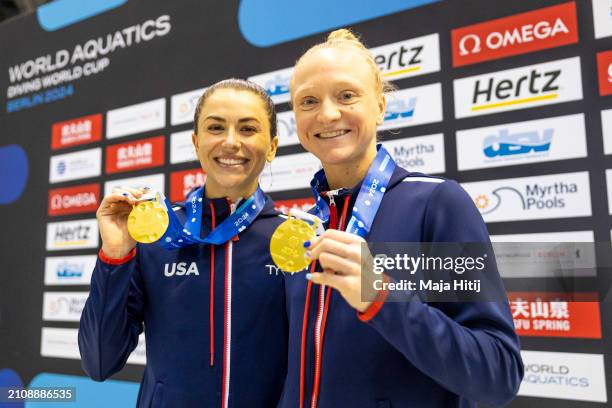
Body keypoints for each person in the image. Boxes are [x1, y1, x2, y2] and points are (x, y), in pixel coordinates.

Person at [279, 29, 524, 407]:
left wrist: (382, 296)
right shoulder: (305, 228)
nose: (327, 113)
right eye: (308, 101)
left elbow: (498, 373)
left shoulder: (438, 204)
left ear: (379, 105)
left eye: (346, 95)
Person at [79, 79, 287, 407]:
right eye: (216, 127)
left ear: (272, 146)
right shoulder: (157, 235)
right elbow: (100, 362)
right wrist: (115, 257)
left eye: (248, 129)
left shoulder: (293, 242)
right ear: (196, 141)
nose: (231, 142)